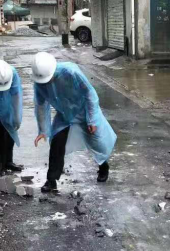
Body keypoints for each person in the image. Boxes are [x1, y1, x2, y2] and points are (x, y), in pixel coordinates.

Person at [31, 52, 116, 192]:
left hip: (83, 111)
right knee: (57, 142)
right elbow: (40, 105)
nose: (46, 83)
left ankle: (103, 166)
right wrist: (43, 129)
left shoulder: (70, 72)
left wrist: (92, 119)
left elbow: (90, 93)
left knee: (97, 141)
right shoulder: (39, 83)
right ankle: (51, 180)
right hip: (64, 115)